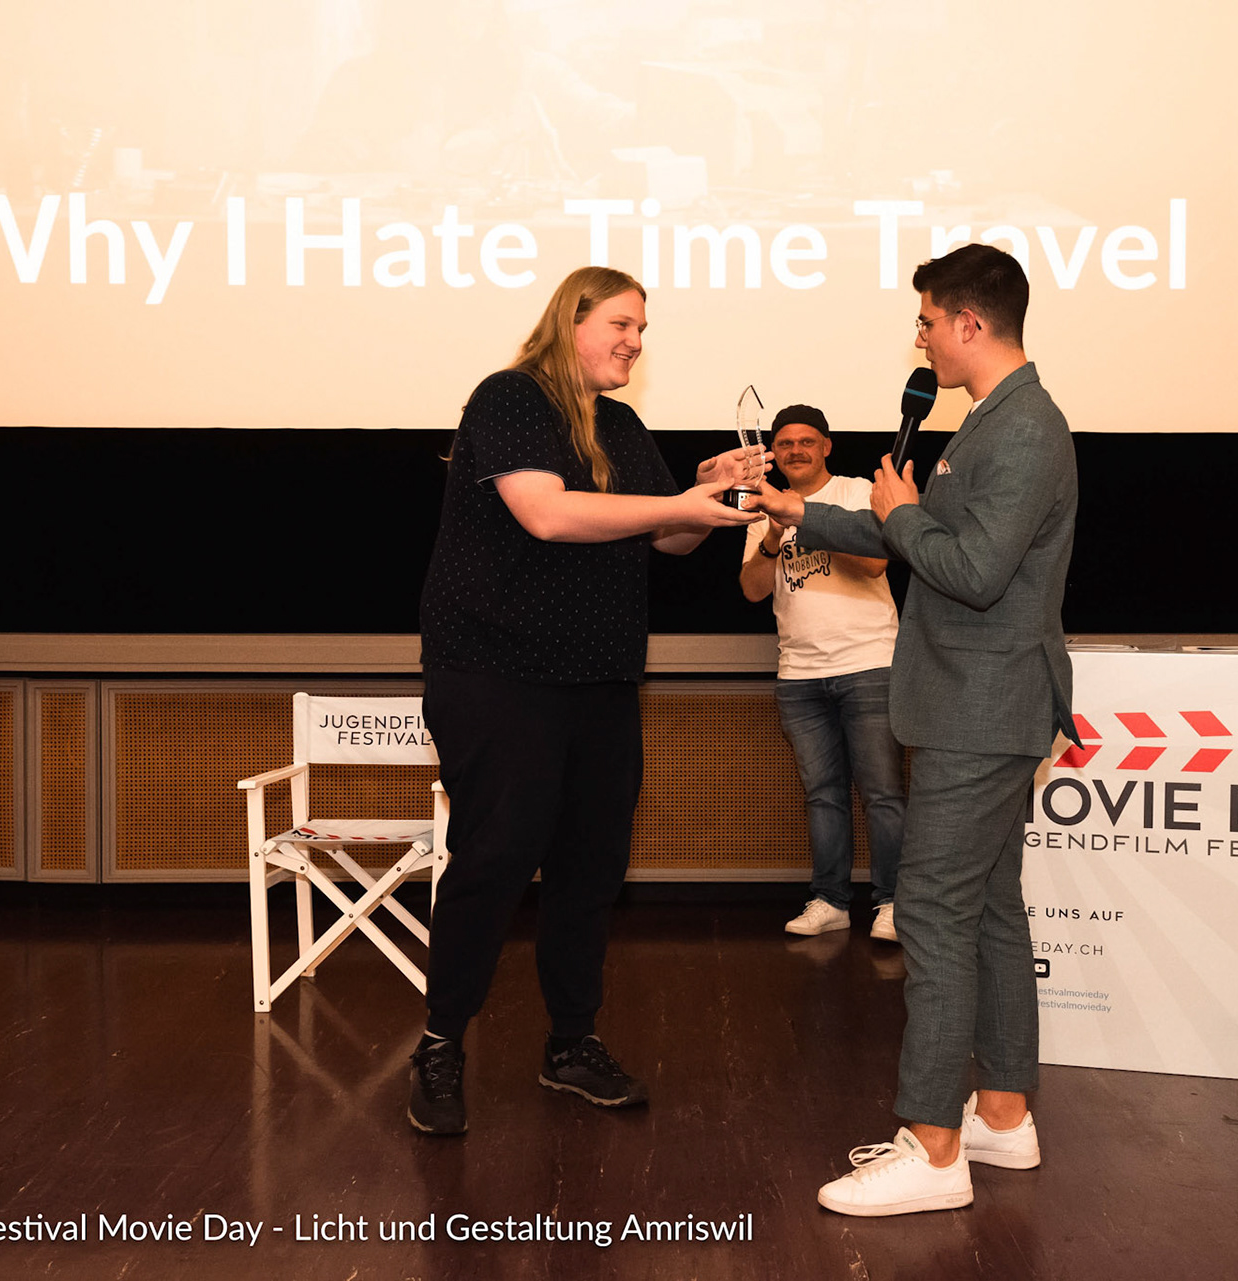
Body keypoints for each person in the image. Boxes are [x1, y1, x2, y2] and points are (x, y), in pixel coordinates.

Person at [753, 243, 1078, 1216]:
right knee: (990, 909)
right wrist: (805, 512)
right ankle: (1003, 1117)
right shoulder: (989, 422)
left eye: (929, 321)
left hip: (982, 704)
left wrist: (897, 515)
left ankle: (934, 1150)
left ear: (970, 323)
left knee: (930, 908)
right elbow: (915, 531)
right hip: (974, 700)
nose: (922, 337)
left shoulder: (1024, 429)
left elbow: (969, 569)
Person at [409, 266, 765, 1136]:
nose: (635, 341)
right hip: (496, 672)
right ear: (571, 320)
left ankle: (571, 1042)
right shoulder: (512, 397)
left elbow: (671, 539)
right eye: (621, 323)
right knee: (494, 859)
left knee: (591, 867)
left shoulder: (621, 424)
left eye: (643, 329)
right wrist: (675, 500)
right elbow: (547, 513)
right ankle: (440, 1043)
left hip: (600, 677)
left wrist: (708, 496)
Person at [739, 404, 905, 941]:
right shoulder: (764, 506)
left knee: (883, 794)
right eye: (785, 443)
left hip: (869, 663)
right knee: (823, 794)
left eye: (806, 441)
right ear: (774, 452)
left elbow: (876, 562)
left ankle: (894, 903)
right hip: (799, 673)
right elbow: (753, 590)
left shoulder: (856, 493)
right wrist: (773, 534)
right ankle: (831, 901)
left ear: (826, 446)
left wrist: (807, 521)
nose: (796, 451)